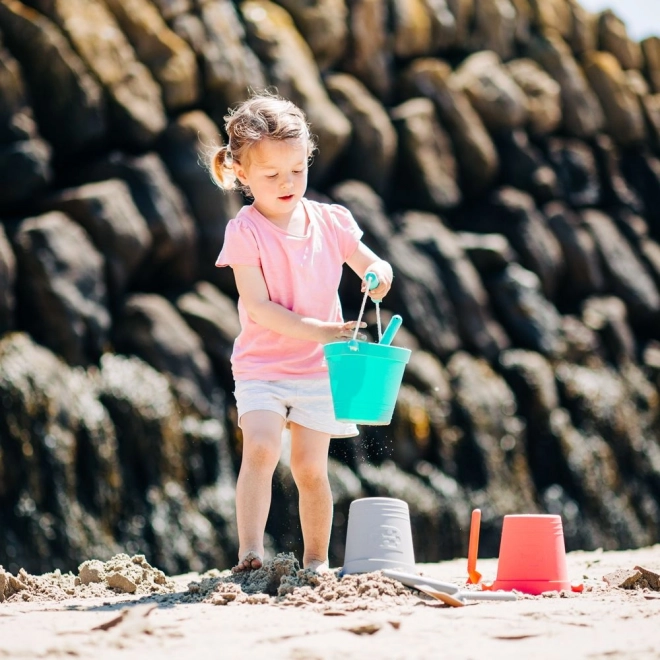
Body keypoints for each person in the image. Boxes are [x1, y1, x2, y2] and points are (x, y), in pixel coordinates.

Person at [210, 92, 393, 574]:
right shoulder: (244, 231)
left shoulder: (330, 221)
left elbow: (368, 262)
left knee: (311, 468)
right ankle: (250, 551)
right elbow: (260, 308)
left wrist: (378, 272)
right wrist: (324, 330)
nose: (287, 182)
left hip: (318, 368)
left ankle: (317, 562)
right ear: (243, 175)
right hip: (262, 366)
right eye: (271, 175)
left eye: (297, 169)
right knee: (263, 448)